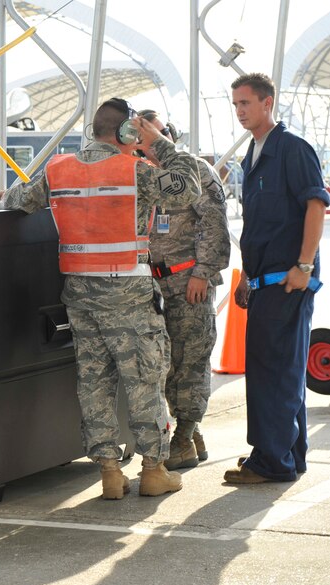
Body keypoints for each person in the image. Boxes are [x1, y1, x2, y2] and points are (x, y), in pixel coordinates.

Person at [0, 98, 201, 500]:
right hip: (127, 292)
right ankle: (154, 469)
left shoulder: (59, 170)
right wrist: (158, 142)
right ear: (127, 133)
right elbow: (187, 188)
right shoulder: (135, 170)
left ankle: (110, 472)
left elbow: (15, 201)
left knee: (94, 381)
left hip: (79, 296)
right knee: (144, 378)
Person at [224, 73, 329, 484]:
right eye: (235, 104)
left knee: (275, 370)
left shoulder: (292, 148)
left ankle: (271, 460)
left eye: (246, 103)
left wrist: (304, 267)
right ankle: (288, 454)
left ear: (268, 102)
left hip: (289, 281)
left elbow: (316, 206)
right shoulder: (255, 153)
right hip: (265, 281)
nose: (240, 111)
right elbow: (258, 226)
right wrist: (247, 276)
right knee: (278, 369)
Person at [136, 110, 230, 469]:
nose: (151, 143)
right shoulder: (142, 174)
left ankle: (184, 437)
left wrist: (203, 273)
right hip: (150, 284)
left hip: (188, 281)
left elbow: (214, 223)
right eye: (144, 136)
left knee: (190, 360)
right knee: (163, 366)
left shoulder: (194, 170)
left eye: (157, 134)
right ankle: (187, 432)